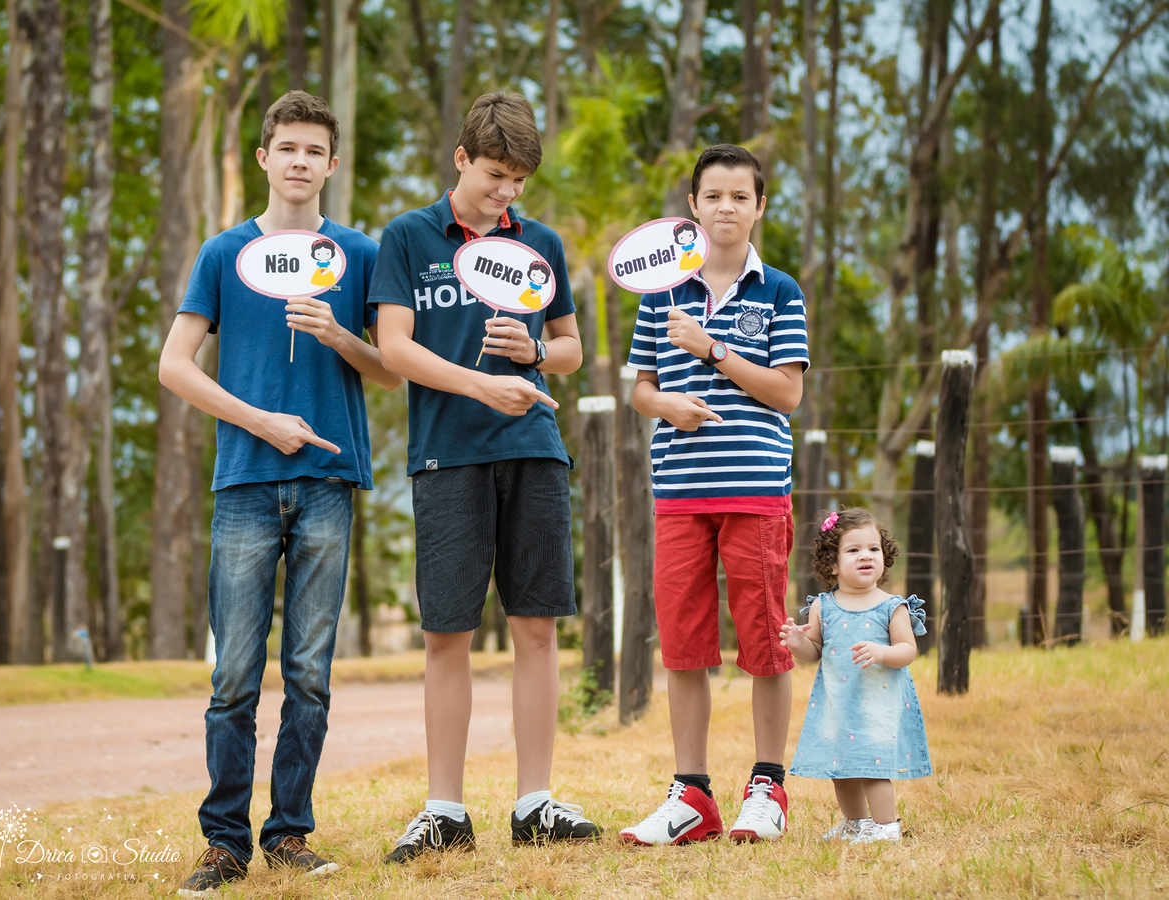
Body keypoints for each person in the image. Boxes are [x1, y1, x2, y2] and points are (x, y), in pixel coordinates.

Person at [160, 90, 401, 897]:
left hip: (330, 482)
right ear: (264, 159)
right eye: (286, 147)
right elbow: (175, 365)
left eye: (314, 150)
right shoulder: (223, 252)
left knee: (309, 670)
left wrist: (340, 335)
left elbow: (395, 369)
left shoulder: (362, 254)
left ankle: (288, 832)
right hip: (245, 485)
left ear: (332, 166)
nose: (300, 161)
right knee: (234, 675)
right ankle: (223, 842)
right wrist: (259, 420)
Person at [370, 91, 600, 862]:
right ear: (461, 158)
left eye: (520, 181)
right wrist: (478, 384)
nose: (507, 192)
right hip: (446, 455)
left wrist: (534, 356)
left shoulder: (541, 243)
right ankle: (445, 812)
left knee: (535, 627)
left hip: (533, 449)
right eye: (496, 175)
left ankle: (535, 803)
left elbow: (570, 346)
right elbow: (394, 348)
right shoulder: (405, 238)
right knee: (448, 634)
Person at [620, 144, 809, 846]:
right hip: (679, 494)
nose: (726, 207)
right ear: (692, 207)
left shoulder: (780, 291)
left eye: (740, 196)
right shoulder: (660, 291)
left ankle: (767, 787)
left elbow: (788, 392)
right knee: (684, 647)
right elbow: (639, 389)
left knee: (765, 643)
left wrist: (711, 351)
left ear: (759, 206)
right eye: (713, 196)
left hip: (756, 493)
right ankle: (691, 796)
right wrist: (667, 407)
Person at [779, 507, 932, 844]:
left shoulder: (891, 606)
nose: (866, 556)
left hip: (879, 706)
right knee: (841, 769)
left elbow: (908, 649)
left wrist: (883, 653)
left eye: (873, 549)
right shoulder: (823, 606)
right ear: (832, 563)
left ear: (885, 555)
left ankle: (886, 826)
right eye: (854, 550)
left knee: (872, 767)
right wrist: (798, 642)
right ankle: (855, 822)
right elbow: (814, 653)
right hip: (838, 704)